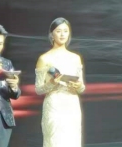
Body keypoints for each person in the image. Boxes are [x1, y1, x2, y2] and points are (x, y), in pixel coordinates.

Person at [35, 18, 84, 147]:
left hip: (72, 105)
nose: (62, 34)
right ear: (52, 34)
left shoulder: (75, 58)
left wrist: (79, 86)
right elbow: (38, 89)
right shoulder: (44, 58)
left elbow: (81, 87)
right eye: (58, 31)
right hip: (54, 107)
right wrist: (52, 83)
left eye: (65, 31)